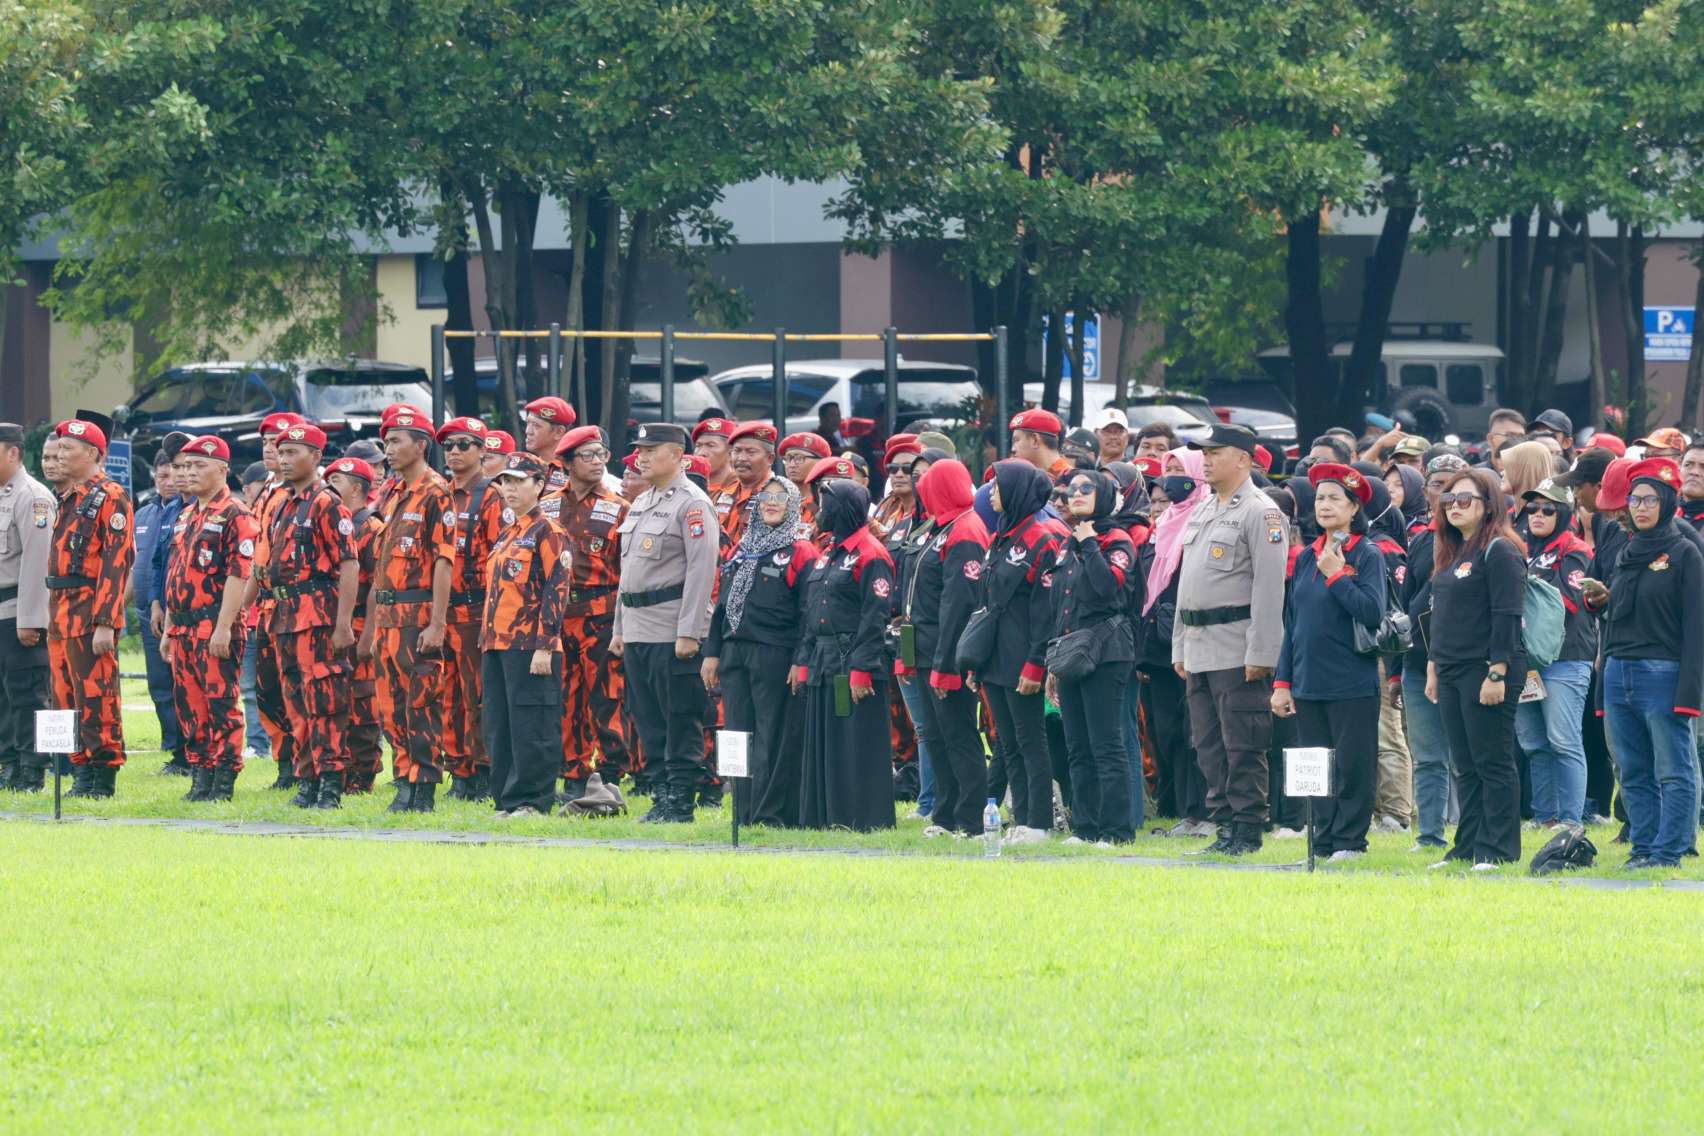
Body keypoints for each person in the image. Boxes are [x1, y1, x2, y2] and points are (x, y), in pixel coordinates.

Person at [1173, 423, 1288, 855]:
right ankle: (1223, 823)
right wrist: (1180, 645)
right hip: (1200, 644)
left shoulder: (1262, 512)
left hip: (1236, 645)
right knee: (1207, 744)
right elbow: (1187, 586)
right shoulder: (1204, 509)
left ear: (1243, 458)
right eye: (1202, 452)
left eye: (1214, 452)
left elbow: (1269, 588)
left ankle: (1247, 828)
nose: (1204, 459)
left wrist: (1261, 652)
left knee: (1243, 742)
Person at [1583, 458, 1704, 868]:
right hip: (1620, 671)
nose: (1640, 507)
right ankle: (1644, 848)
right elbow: (1619, 615)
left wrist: (1690, 691)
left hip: (1663, 673)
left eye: (1651, 499)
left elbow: (1695, 627)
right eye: (1635, 499)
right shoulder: (1626, 551)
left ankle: (1670, 850)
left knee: (1673, 769)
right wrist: (1601, 600)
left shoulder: (1685, 552)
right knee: (1633, 770)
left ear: (1668, 502)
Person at [1271, 464, 1387, 860]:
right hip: (1308, 677)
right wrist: (1283, 683)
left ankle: (1351, 841)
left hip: (1351, 680)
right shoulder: (1306, 557)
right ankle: (1320, 840)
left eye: (1335, 498)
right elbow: (1294, 624)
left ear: (1354, 507)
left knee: (1353, 765)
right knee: (1314, 767)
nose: (1324, 505)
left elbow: (1372, 612)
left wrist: (1338, 577)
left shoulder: (1366, 554)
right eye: (1320, 498)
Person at [611, 423, 719, 823]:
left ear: (676, 455)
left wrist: (689, 631)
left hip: (672, 627)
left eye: (651, 449)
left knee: (679, 716)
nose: (641, 456)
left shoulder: (692, 503)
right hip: (639, 626)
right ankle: (660, 792)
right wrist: (620, 629)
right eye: (640, 449)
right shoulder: (642, 502)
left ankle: (680, 798)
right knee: (648, 717)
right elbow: (628, 573)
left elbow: (701, 570)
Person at [1426, 466, 1526, 869]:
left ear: (1489, 507)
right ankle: (1466, 846)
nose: (1454, 506)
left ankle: (1498, 848)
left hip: (1484, 667)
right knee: (1464, 765)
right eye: (1448, 500)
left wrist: (1497, 671)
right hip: (1449, 668)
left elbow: (1507, 614)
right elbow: (1441, 616)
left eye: (1464, 499)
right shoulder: (1451, 551)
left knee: (1493, 761)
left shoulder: (1500, 549)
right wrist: (1433, 667)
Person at [703, 475, 815, 827]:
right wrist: (713, 651)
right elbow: (722, 604)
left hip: (774, 653)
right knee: (738, 734)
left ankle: (772, 813)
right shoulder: (742, 547)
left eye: (780, 499)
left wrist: (800, 660)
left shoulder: (800, 551)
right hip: (735, 653)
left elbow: (807, 613)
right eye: (766, 497)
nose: (771, 503)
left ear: (793, 506)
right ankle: (743, 812)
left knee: (772, 734)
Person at [257, 423, 359, 808]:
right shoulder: (283, 503)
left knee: (325, 700)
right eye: (280, 453)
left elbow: (348, 564)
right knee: (295, 701)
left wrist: (343, 623)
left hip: (317, 615)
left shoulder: (327, 503)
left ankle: (331, 782)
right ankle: (307, 778)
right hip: (284, 616)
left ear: (316, 457)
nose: (283, 460)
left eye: (292, 453)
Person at [362, 405, 455, 813]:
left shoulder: (437, 492)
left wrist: (437, 623)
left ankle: (424, 787)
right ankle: (403, 780)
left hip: (416, 615)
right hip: (386, 616)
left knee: (421, 702)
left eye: (396, 441)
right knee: (389, 704)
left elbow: (443, 560)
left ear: (421, 445)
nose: (389, 449)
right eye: (386, 442)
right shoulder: (393, 492)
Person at [158, 436, 258, 803]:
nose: (190, 472)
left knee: (219, 703)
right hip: (183, 625)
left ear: (222, 470)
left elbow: (238, 574)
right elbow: (176, 573)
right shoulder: (188, 514)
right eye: (186, 466)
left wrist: (225, 627)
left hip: (213, 623)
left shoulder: (236, 514)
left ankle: (224, 778)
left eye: (200, 466)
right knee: (189, 705)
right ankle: (201, 773)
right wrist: (169, 626)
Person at [794, 478, 897, 831]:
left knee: (857, 741)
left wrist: (861, 670)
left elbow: (875, 617)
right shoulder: (829, 552)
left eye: (825, 505)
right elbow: (813, 613)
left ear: (844, 509)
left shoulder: (871, 554)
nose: (819, 513)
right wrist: (805, 663)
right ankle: (828, 815)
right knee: (827, 740)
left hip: (853, 658)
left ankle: (864, 818)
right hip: (823, 659)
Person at [1047, 469, 1140, 845]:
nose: (1078, 494)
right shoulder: (1067, 541)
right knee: (1078, 746)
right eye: (1072, 490)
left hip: (1108, 652)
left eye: (1087, 489)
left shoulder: (1116, 539)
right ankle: (1084, 827)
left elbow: (1106, 589)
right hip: (1072, 653)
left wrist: (1089, 544)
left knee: (1107, 744)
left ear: (1103, 495)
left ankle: (1115, 830)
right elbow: (1061, 605)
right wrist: (1053, 663)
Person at [974, 461, 1066, 840]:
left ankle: (1040, 822)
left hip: (1022, 657)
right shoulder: (1002, 536)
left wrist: (1035, 663)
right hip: (994, 656)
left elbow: (1044, 611)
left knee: (1031, 741)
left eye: (997, 487)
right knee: (1007, 743)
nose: (991, 493)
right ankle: (1022, 817)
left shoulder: (1042, 539)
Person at [479, 453, 571, 819]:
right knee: (500, 725)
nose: (510, 489)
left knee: (533, 724)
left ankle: (532, 799)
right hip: (497, 643)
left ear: (539, 484)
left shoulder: (549, 531)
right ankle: (505, 798)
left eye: (519, 481)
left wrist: (545, 645)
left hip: (531, 646)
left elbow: (557, 588)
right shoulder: (508, 532)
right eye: (506, 481)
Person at [46, 418, 135, 798]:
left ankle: (103, 771)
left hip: (89, 608)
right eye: (59, 447)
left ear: (94, 454)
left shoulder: (111, 496)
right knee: (65, 694)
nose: (61, 455)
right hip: (60, 609)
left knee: (97, 694)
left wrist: (105, 622)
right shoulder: (68, 497)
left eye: (69, 448)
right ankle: (79, 766)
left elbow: (118, 563)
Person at [904, 459, 990, 837]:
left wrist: (946, 664)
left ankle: (970, 819)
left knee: (959, 737)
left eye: (928, 484)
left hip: (946, 654)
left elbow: (958, 605)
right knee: (936, 738)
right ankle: (945, 814)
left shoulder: (965, 530)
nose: (922, 489)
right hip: (923, 650)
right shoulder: (939, 528)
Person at [551, 425, 632, 797]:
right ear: (567, 462)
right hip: (557, 616)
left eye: (602, 455)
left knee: (606, 696)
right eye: (588, 455)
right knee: (566, 697)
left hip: (602, 614)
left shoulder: (619, 507)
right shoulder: (549, 504)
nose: (598, 462)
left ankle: (612, 772)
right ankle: (573, 772)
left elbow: (629, 569)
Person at [1514, 478, 1595, 829]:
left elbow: (1569, 602)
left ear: (1564, 513)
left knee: (1564, 740)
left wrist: (1522, 599)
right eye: (1532, 508)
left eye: (1549, 509)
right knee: (1533, 742)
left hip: (1566, 658)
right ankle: (1545, 816)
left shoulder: (1574, 549)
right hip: (1527, 661)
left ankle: (1571, 820)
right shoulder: (1520, 549)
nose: (1539, 514)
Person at [1400, 454, 1467, 850]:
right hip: (1415, 661)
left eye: (1453, 487)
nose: (1444, 494)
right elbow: (1407, 606)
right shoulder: (1422, 539)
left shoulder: (1477, 539)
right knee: (1427, 756)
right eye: (1437, 485)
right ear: (1425, 492)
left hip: (1461, 661)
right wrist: (1397, 669)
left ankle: (1474, 833)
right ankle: (1429, 835)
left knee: (1469, 756)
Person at [1141, 450, 1209, 832]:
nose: (1171, 479)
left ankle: (1197, 809)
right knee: (1163, 732)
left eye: (1180, 472)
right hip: (1157, 648)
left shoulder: (1204, 519)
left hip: (1193, 641)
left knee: (1193, 732)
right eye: (1167, 472)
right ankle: (1171, 807)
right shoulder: (1164, 524)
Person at [324, 456, 386, 794]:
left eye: (338, 484)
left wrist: (370, 634)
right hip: (335, 622)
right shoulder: (337, 523)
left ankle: (364, 775)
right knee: (336, 702)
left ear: (358, 489)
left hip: (361, 621)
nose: (330, 490)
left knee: (363, 704)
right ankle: (342, 770)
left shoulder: (372, 527)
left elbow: (379, 583)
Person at [0, 423, 55, 793]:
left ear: (13, 453)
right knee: (4, 695)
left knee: (26, 690)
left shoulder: (33, 497)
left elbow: (37, 563)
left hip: (18, 607)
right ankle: (9, 762)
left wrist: (31, 619)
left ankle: (31, 767)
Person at [133, 447, 187, 774]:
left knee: (183, 683)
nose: (169, 480)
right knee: (159, 683)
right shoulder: (146, 513)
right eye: (163, 474)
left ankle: (189, 749)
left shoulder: (188, 511)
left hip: (180, 610)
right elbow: (147, 564)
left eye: (175, 472)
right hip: (149, 610)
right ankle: (172, 743)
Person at [717, 422, 778, 548]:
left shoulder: (780, 496)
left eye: (751, 452)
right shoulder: (724, 492)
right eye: (737, 451)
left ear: (770, 459)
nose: (742, 458)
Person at [522, 395, 576, 503]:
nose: (528, 431)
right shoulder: (526, 468)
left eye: (536, 425)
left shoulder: (574, 471)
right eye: (528, 423)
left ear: (559, 432)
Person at [1009, 408, 1072, 481]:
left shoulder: (1072, 481)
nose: (1013, 449)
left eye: (1017, 440)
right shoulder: (1026, 478)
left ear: (1035, 440)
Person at [691, 417, 738, 497]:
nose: (701, 453)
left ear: (730, 454)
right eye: (698, 446)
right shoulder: (688, 487)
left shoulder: (742, 489)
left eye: (711, 445)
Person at [1500, 440, 1553, 506]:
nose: (1501, 473)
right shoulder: (1511, 512)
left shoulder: (1549, 513)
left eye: (1509, 468)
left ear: (1526, 470)